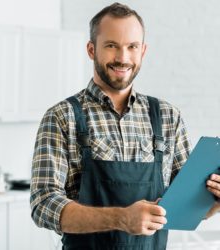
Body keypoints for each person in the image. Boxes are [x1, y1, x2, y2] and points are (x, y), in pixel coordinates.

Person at [30, 2, 220, 250]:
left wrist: (214, 202)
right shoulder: (61, 117)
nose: (123, 58)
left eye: (132, 47)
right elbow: (43, 205)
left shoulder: (168, 117)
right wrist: (121, 218)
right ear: (91, 49)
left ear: (143, 51)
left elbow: (182, 207)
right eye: (111, 46)